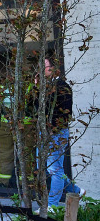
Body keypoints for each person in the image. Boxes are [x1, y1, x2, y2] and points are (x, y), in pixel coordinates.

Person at [44, 58, 79, 205]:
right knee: (44, 167)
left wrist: (53, 129)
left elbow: (65, 113)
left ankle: (52, 205)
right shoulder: (45, 87)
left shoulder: (62, 87)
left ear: (53, 69)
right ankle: (75, 190)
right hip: (46, 133)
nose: (41, 70)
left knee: (54, 169)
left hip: (55, 133)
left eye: (44, 66)